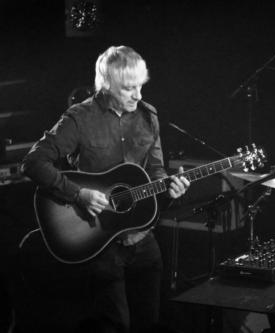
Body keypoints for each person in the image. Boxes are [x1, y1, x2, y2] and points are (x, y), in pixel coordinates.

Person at [20, 45, 190, 332]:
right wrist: (78, 194)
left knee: (150, 322)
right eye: (128, 88)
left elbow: (156, 170)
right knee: (116, 325)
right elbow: (33, 162)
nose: (138, 95)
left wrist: (170, 186)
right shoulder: (79, 118)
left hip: (142, 236)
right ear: (107, 85)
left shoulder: (149, 115)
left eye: (140, 86)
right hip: (98, 240)